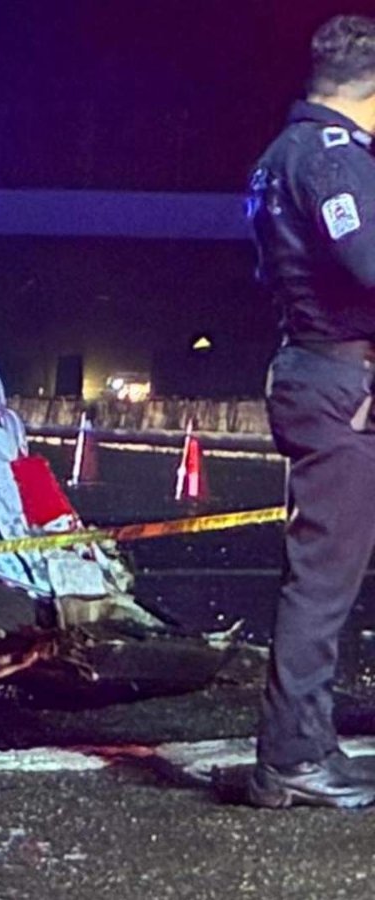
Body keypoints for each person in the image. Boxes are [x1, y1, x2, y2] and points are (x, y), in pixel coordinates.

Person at [248, 14, 375, 808]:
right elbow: (368, 265)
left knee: (326, 574)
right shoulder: (328, 158)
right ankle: (291, 758)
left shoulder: (286, 154)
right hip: (340, 386)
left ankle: (306, 743)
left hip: (322, 376)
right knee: (323, 581)